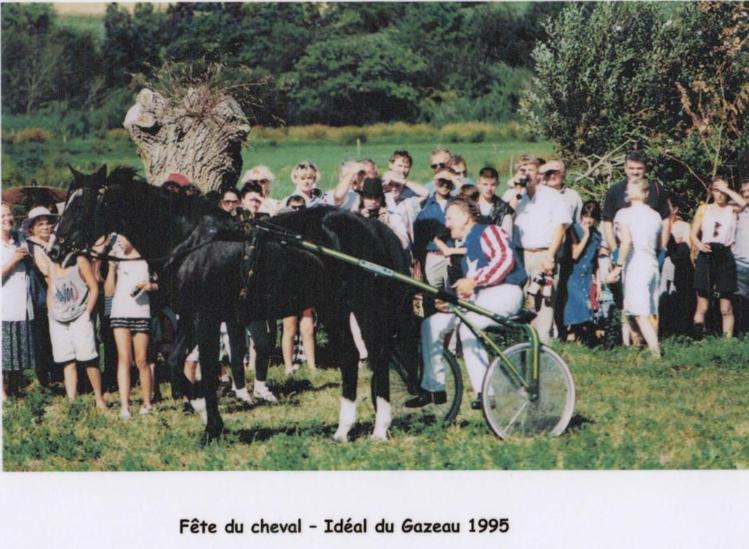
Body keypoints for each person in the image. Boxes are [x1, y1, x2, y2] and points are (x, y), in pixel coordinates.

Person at [407, 198, 526, 409]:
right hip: (482, 298)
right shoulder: (466, 247)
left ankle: (484, 392)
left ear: (465, 217)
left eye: (450, 218)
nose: (447, 224)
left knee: (468, 325)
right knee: (431, 325)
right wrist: (451, 304)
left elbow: (504, 260)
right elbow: (472, 291)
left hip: (506, 292)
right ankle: (433, 388)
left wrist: (474, 281)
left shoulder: (489, 231)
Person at [511, 157, 572, 343]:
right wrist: (515, 193)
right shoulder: (515, 197)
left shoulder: (552, 196)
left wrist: (551, 256)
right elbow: (504, 215)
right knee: (523, 298)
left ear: (538, 174)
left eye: (529, 170)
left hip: (543, 253)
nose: (526, 174)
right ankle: (526, 341)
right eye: (522, 170)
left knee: (544, 299)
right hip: (521, 253)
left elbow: (561, 227)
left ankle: (544, 341)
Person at [46, 241, 107, 408]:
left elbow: (94, 288)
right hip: (58, 318)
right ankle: (72, 401)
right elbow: (51, 289)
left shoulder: (80, 260)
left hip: (79, 315)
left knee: (88, 358)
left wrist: (87, 313)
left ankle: (99, 399)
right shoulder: (52, 263)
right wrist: (51, 312)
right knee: (68, 361)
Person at [609, 178, 663, 357]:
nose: (627, 189)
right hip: (652, 263)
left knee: (640, 313)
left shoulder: (623, 214)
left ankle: (655, 353)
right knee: (647, 309)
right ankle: (636, 349)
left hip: (636, 264)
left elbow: (626, 242)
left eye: (631, 187)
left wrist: (617, 266)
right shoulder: (655, 216)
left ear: (644, 193)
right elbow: (659, 244)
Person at [107, 235, 157, 417]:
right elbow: (108, 291)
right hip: (120, 311)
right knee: (124, 359)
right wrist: (111, 268)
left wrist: (150, 286)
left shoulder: (146, 257)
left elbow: (161, 282)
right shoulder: (116, 257)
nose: (118, 242)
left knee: (142, 360)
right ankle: (125, 405)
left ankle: (147, 402)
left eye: (122, 238)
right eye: (116, 238)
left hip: (141, 312)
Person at [689, 178, 746, 338]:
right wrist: (699, 245)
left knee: (725, 307)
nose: (719, 194)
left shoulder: (732, 209)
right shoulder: (704, 209)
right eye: (716, 190)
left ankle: (726, 344)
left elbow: (743, 203)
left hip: (725, 255)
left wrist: (726, 190)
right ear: (711, 191)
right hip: (706, 254)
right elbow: (693, 234)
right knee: (702, 305)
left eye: (722, 191)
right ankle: (698, 340)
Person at [21, 206, 58, 387]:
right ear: (32, 228)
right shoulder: (32, 245)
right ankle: (45, 378)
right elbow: (45, 271)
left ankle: (57, 374)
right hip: (42, 297)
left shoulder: (54, 242)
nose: (45, 227)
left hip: (55, 294)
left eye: (47, 223)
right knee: (42, 337)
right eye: (40, 224)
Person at [2, 203, 36, 399]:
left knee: (16, 351)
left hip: (21, 303)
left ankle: (14, 389)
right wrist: (14, 260)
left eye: (9, 214)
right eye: (2, 216)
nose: (7, 218)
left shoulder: (19, 238)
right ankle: (2, 393)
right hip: (4, 304)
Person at [413, 169, 461, 293]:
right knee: (431, 295)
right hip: (433, 256)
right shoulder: (425, 204)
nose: (445, 186)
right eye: (441, 182)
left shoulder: (458, 203)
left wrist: (455, 180)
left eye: (448, 183)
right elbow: (419, 237)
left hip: (454, 256)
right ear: (435, 182)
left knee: (455, 295)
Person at [564, 201, 603, 344]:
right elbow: (575, 254)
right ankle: (570, 341)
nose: (588, 220)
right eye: (585, 216)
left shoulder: (597, 235)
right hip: (573, 276)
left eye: (591, 217)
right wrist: (585, 237)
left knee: (587, 310)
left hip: (587, 277)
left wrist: (598, 283)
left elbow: (596, 263)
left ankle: (581, 343)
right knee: (575, 309)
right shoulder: (574, 230)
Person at [475, 166, 513, 236]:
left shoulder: (504, 209)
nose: (489, 188)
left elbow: (507, 238)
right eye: (485, 184)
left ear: (498, 184)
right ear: (478, 184)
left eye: (493, 185)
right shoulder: (470, 205)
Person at [732, 179, 749, 337]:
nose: (746, 195)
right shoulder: (737, 212)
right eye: (743, 192)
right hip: (740, 264)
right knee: (741, 303)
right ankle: (741, 335)